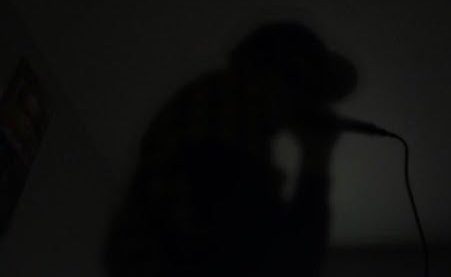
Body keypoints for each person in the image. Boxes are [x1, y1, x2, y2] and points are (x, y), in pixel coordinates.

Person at [104, 21, 358, 277]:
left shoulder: (213, 109)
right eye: (310, 90)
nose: (311, 106)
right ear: (284, 74)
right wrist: (317, 157)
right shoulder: (223, 109)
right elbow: (288, 264)